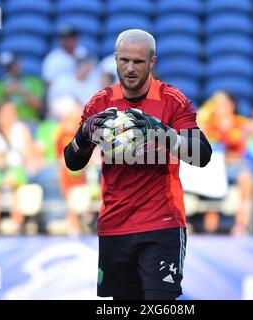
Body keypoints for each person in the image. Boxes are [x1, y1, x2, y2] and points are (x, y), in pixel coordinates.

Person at [64, 29, 212, 300]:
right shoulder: (100, 103)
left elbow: (202, 155)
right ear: (115, 59)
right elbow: (72, 161)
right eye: (124, 61)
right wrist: (84, 135)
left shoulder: (172, 100)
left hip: (162, 224)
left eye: (138, 62)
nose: (130, 68)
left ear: (152, 62)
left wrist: (163, 133)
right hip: (115, 225)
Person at [198, 91, 252, 236]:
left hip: (234, 165)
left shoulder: (240, 123)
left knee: (245, 177)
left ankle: (241, 225)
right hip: (215, 167)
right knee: (211, 179)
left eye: (223, 104)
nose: (220, 107)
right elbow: (198, 122)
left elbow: (243, 147)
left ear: (231, 106)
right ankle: (210, 228)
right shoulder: (210, 124)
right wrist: (210, 105)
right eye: (218, 104)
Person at [0, 102, 36, 234]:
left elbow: (30, 153)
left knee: (16, 190)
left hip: (17, 168)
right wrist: (2, 162)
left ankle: (17, 225)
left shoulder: (21, 129)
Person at [0, 51, 44, 122]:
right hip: (7, 123)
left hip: (29, 121)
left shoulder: (34, 81)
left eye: (13, 65)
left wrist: (22, 91)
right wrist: (6, 95)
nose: (11, 70)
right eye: (7, 68)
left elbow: (40, 107)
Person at [41, 25, 88, 90]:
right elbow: (47, 83)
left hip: (82, 92)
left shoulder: (84, 53)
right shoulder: (53, 59)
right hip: (61, 94)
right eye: (66, 39)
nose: (69, 41)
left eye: (71, 38)